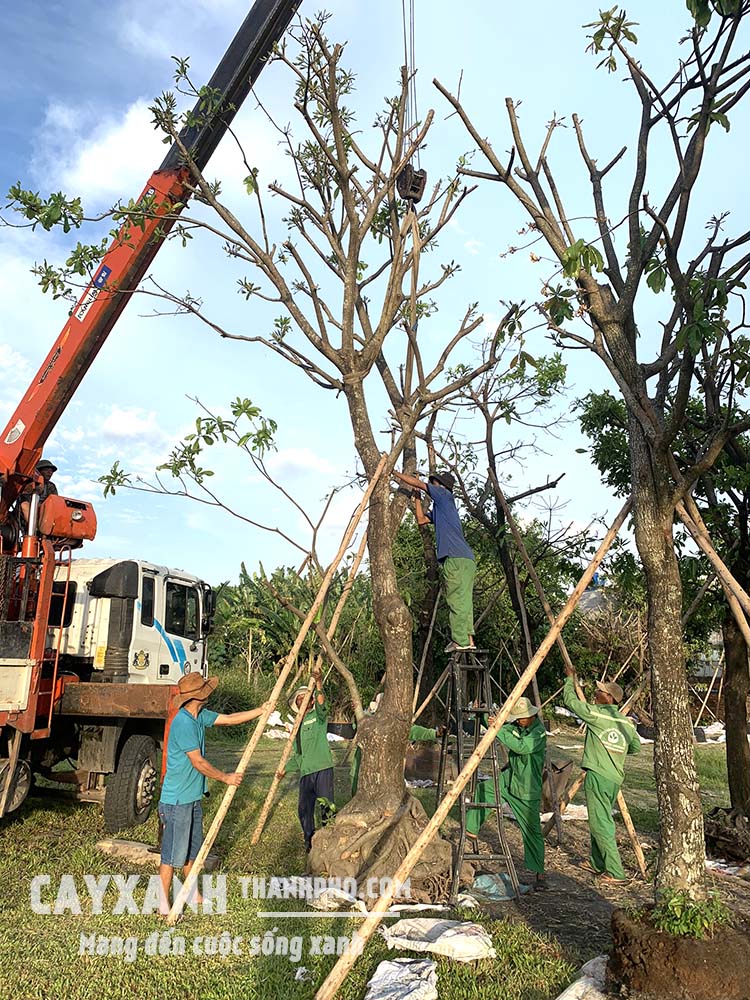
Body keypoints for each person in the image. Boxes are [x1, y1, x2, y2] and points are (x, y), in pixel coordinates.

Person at [158, 671, 267, 915]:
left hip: (192, 798)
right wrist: (225, 777)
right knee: (171, 855)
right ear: (199, 697)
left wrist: (261, 710)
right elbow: (199, 763)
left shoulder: (200, 716)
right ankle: (163, 903)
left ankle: (192, 894)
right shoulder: (183, 722)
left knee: (192, 852)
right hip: (176, 802)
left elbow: (229, 719)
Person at [562, 665, 641, 884]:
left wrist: (570, 680)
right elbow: (635, 748)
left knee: (601, 823)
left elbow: (570, 702)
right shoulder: (626, 723)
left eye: (599, 692)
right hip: (614, 778)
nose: (595, 694)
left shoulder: (596, 714)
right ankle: (597, 862)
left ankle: (615, 872)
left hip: (597, 775)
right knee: (601, 818)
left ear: (608, 698)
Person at [465, 695, 547, 887]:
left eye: (521, 717)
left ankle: (539, 872)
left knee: (532, 831)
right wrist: (487, 716)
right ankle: (471, 829)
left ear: (531, 716)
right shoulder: (519, 726)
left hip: (526, 788)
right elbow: (502, 728)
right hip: (509, 778)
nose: (519, 720)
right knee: (483, 790)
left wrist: (498, 729)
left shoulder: (538, 733)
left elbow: (520, 746)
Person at [393, 468, 476, 653]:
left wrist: (396, 473)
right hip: (466, 560)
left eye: (434, 483)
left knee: (456, 600)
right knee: (464, 601)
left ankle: (460, 640)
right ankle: (468, 639)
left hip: (455, 558)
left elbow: (420, 485)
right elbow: (421, 520)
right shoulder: (442, 509)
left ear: (441, 486)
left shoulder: (444, 494)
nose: (432, 486)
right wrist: (416, 498)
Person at [279, 665, 334, 852]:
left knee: (326, 806)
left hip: (322, 767)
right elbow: (298, 752)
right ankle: (309, 840)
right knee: (304, 809)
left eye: (305, 698)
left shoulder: (317, 717)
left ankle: (328, 838)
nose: (303, 701)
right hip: (306, 771)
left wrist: (318, 682)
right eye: (299, 699)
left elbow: (322, 704)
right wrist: (284, 769)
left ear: (311, 702)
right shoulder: (297, 725)